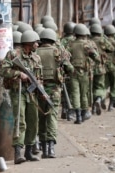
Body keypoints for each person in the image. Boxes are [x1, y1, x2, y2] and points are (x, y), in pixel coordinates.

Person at [0, 30, 41, 164]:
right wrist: (18, 74)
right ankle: (18, 152)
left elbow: (39, 77)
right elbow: (3, 70)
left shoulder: (36, 58)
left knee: (33, 122)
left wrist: (41, 88)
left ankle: (29, 151)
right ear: (28, 42)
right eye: (35, 42)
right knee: (20, 121)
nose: (37, 45)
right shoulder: (13, 54)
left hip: (32, 93)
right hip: (18, 92)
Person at [36, 28, 74, 158]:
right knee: (52, 117)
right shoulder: (58, 51)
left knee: (41, 117)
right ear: (53, 39)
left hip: (38, 89)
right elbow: (70, 68)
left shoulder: (35, 52)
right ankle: (51, 148)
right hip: (54, 90)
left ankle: (42, 146)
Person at [67, 23, 100, 124]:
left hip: (73, 72)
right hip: (84, 72)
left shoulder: (70, 44)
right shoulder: (87, 45)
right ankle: (84, 112)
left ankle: (78, 117)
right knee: (84, 93)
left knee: (75, 93)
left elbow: (65, 57)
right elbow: (96, 56)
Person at [89, 24, 115, 115]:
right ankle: (99, 100)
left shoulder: (89, 41)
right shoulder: (103, 40)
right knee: (100, 86)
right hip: (100, 68)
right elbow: (112, 48)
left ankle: (93, 108)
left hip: (90, 68)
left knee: (91, 88)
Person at [60, 21, 76, 121]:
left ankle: (64, 110)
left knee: (63, 90)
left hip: (63, 69)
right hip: (73, 69)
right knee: (72, 91)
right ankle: (70, 112)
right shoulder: (75, 41)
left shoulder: (61, 41)